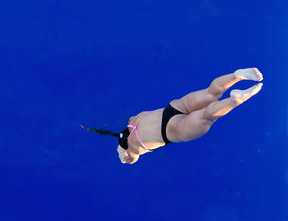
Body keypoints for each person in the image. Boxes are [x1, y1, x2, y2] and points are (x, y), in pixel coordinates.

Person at [81, 67, 263, 164]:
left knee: (206, 117)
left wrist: (123, 151)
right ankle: (237, 75)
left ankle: (236, 99)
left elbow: (128, 160)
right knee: (210, 93)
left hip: (170, 130)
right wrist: (119, 140)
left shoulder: (134, 150)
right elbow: (121, 137)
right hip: (172, 108)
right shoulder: (133, 120)